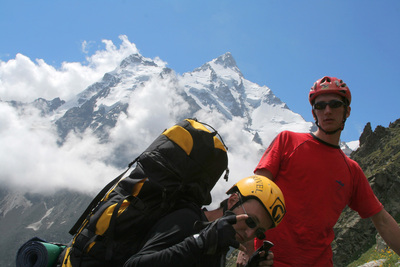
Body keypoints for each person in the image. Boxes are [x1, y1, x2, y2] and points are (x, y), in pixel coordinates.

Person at [237, 76, 400, 266]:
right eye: (320, 106)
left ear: (347, 111)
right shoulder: (287, 141)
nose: (327, 111)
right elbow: (253, 194)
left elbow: (382, 220)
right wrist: (246, 248)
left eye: (335, 104)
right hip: (269, 260)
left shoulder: (352, 170)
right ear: (314, 113)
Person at [123, 175, 286, 267]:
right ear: (233, 201)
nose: (250, 234)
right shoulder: (187, 220)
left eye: (258, 232)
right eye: (250, 221)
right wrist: (198, 243)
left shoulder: (219, 243)